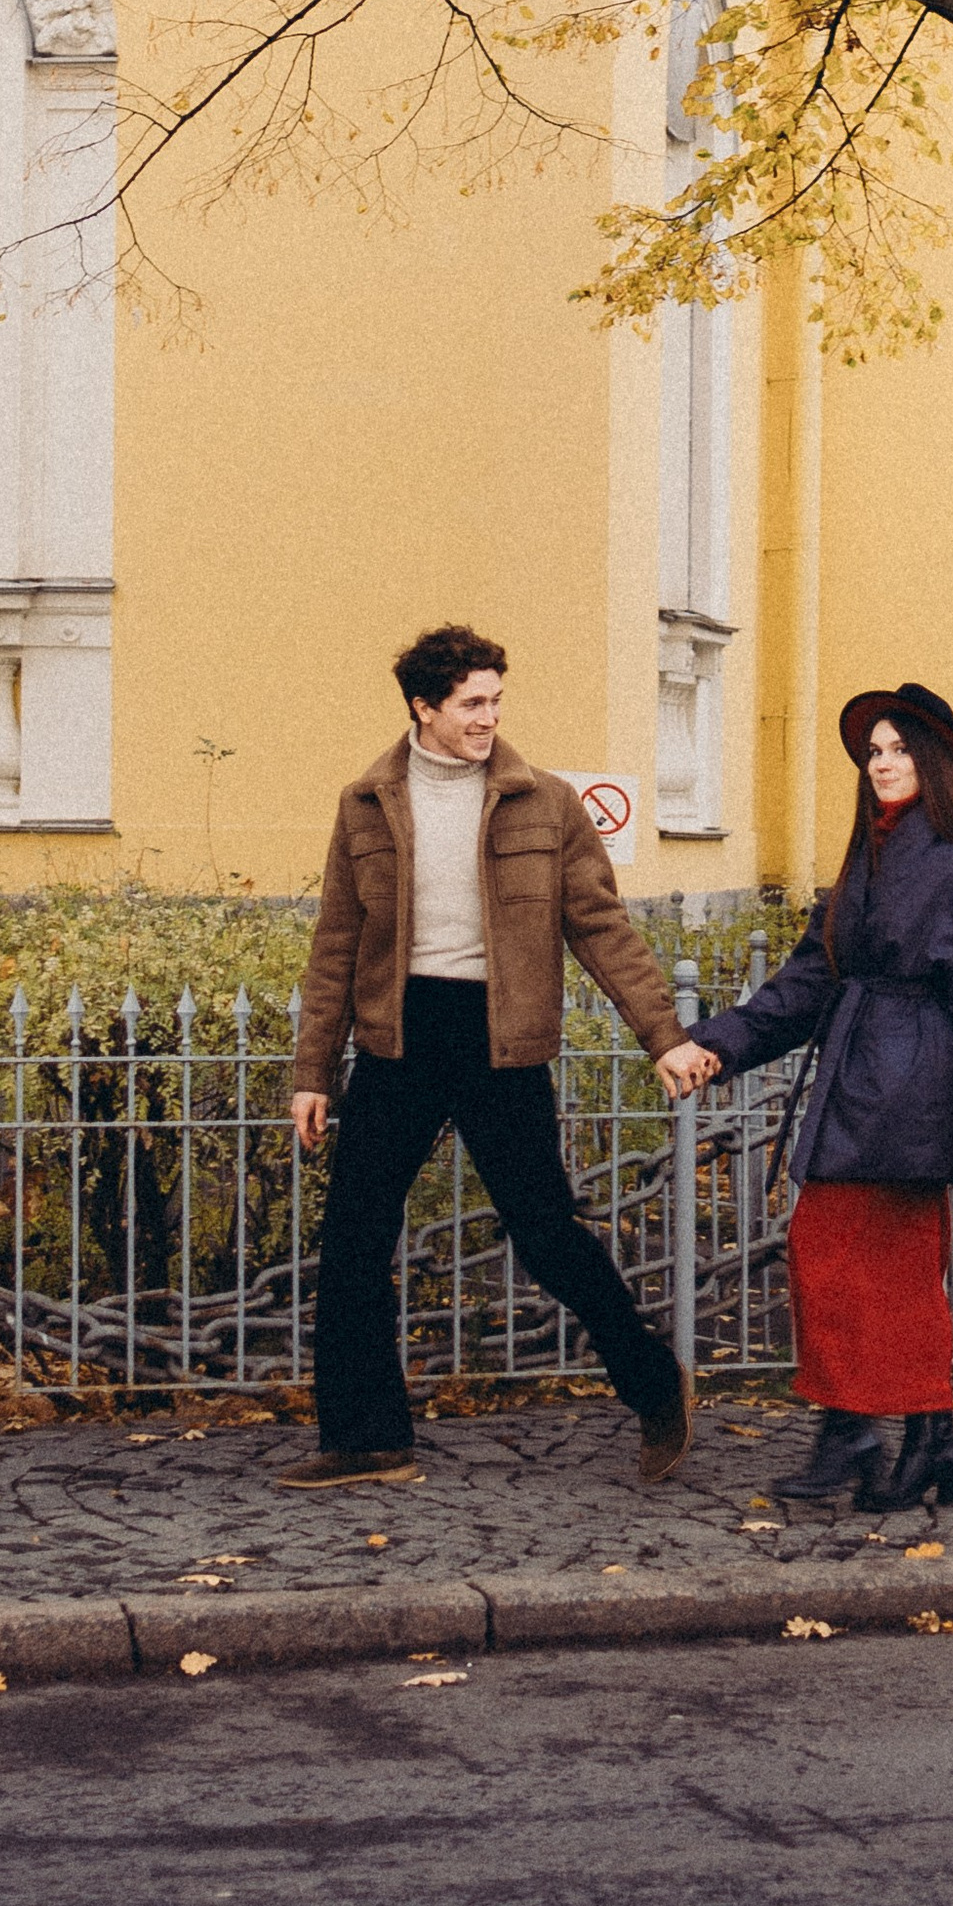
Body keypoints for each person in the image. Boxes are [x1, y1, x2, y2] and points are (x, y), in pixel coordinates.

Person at [282, 622, 698, 1490]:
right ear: (422, 708)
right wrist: (312, 1073)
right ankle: (367, 1437)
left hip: (499, 1041)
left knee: (544, 1234)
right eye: (471, 703)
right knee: (355, 1237)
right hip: (397, 1036)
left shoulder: (541, 801)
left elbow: (601, 929)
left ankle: (657, 1389)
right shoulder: (365, 804)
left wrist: (664, 1036)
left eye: (495, 701)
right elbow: (336, 945)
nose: (488, 718)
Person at [659, 682, 953, 1512]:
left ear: (935, 762)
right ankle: (873, 1432)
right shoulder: (864, 865)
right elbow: (805, 985)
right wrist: (714, 1046)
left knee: (882, 1270)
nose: (883, 763)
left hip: (916, 1094)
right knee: (832, 1261)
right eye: (874, 752)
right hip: (859, 1083)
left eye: (900, 749)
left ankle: (907, 1434)